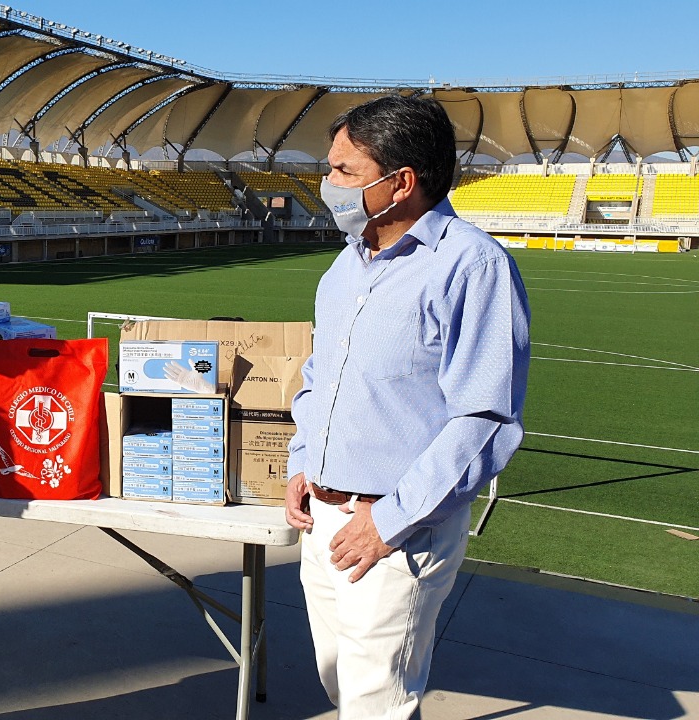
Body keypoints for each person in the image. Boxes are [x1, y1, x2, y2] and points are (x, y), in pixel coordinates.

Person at [284, 95, 530, 719]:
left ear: (400, 183)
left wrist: (390, 520)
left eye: (343, 171)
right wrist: (302, 459)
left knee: (377, 704)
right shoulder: (345, 268)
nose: (327, 184)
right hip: (326, 516)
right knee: (340, 682)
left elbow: (485, 419)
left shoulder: (472, 266)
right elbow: (320, 377)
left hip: (398, 531)